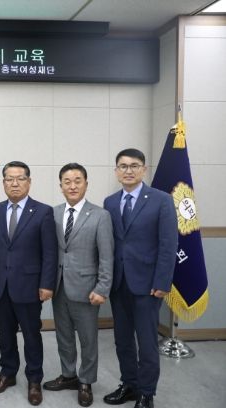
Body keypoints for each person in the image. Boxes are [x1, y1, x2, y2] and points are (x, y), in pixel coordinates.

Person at [102, 149, 177, 408]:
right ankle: (130, 385)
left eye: (134, 165)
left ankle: (146, 393)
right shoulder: (110, 202)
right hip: (119, 283)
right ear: (116, 171)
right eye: (123, 166)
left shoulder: (161, 200)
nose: (128, 171)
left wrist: (162, 282)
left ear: (144, 169)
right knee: (122, 340)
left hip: (148, 285)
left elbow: (168, 245)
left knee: (147, 343)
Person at [42, 163, 114, 407]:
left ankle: (86, 381)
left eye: (77, 181)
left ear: (86, 184)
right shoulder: (52, 213)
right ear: (60, 185)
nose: (72, 186)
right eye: (67, 182)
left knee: (88, 338)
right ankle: (68, 375)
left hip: (87, 288)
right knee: (63, 336)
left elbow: (106, 256)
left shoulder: (100, 215)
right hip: (58, 286)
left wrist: (102, 288)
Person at [0, 161, 58, 406]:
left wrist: (47, 284)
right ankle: (8, 373)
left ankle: (34, 379)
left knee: (31, 335)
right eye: (9, 179)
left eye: (20, 178)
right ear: (3, 183)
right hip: (2, 286)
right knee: (5, 335)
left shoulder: (43, 211)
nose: (14, 183)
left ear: (29, 182)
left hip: (29, 286)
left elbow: (50, 252)